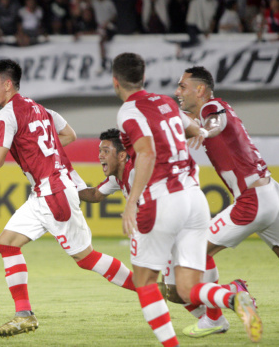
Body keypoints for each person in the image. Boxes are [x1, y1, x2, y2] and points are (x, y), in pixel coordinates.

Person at [0, 59, 136, 337]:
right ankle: (24, 314)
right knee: (7, 244)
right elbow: (69, 134)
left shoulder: (6, 115)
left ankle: (148, 288)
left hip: (54, 193)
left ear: (7, 84)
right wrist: (40, 152)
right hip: (46, 191)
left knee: (86, 258)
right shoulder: (41, 109)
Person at [173, 65, 279, 335]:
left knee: (193, 251)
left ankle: (218, 313)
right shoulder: (207, 110)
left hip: (252, 200)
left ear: (200, 90)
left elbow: (213, 122)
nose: (178, 91)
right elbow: (185, 119)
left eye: (182, 87)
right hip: (270, 193)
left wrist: (204, 132)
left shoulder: (210, 108)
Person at [112, 52, 261, 346]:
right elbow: (195, 129)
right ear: (143, 78)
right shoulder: (166, 102)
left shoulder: (128, 112)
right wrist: (200, 133)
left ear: (115, 82)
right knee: (186, 287)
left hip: (163, 199)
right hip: (194, 198)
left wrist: (131, 203)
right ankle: (233, 298)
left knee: (144, 282)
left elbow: (146, 152)